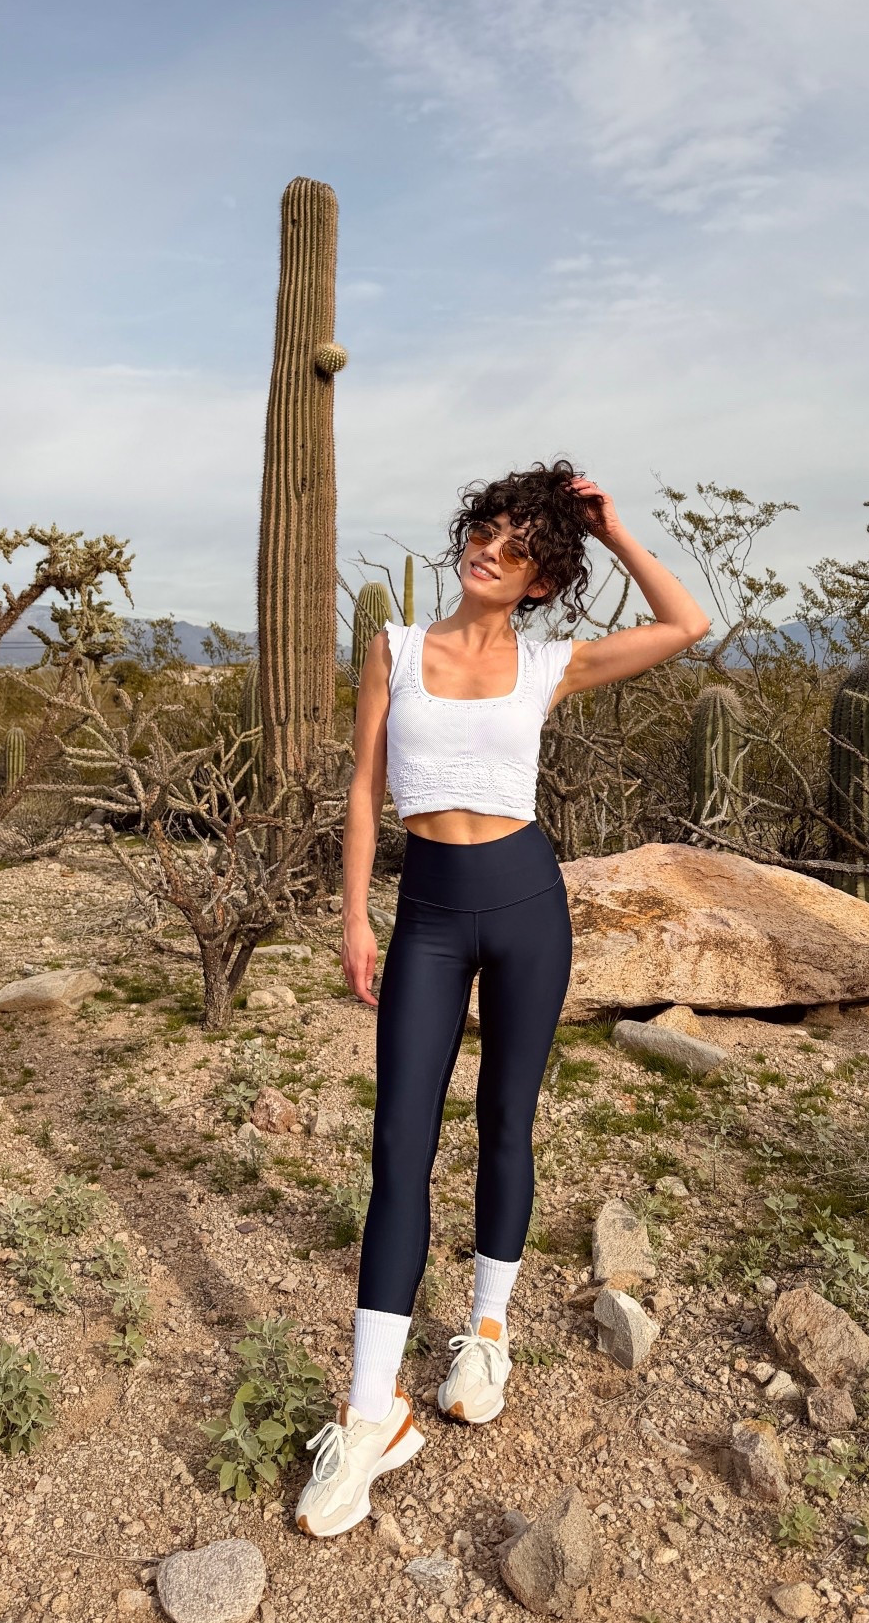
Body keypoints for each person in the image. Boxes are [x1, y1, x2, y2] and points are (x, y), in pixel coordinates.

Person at [295, 458, 712, 1537]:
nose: (493, 545)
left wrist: (614, 529)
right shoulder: (392, 648)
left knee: (504, 1123)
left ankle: (486, 1328)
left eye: (521, 543)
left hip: (528, 904)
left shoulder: (549, 661)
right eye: (487, 526)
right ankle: (369, 1410)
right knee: (399, 1146)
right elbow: (360, 789)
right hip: (429, 914)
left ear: (539, 579)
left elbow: (687, 622)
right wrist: (354, 916)